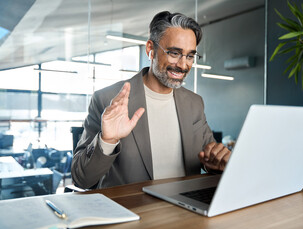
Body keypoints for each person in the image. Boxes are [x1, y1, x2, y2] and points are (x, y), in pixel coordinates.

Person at [71, 11, 231, 189]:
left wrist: (220, 162)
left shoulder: (194, 103)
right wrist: (107, 141)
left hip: (186, 212)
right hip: (132, 212)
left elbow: (211, 159)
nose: (184, 65)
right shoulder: (107, 99)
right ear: (150, 49)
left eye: (190, 56)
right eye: (174, 53)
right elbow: (81, 179)